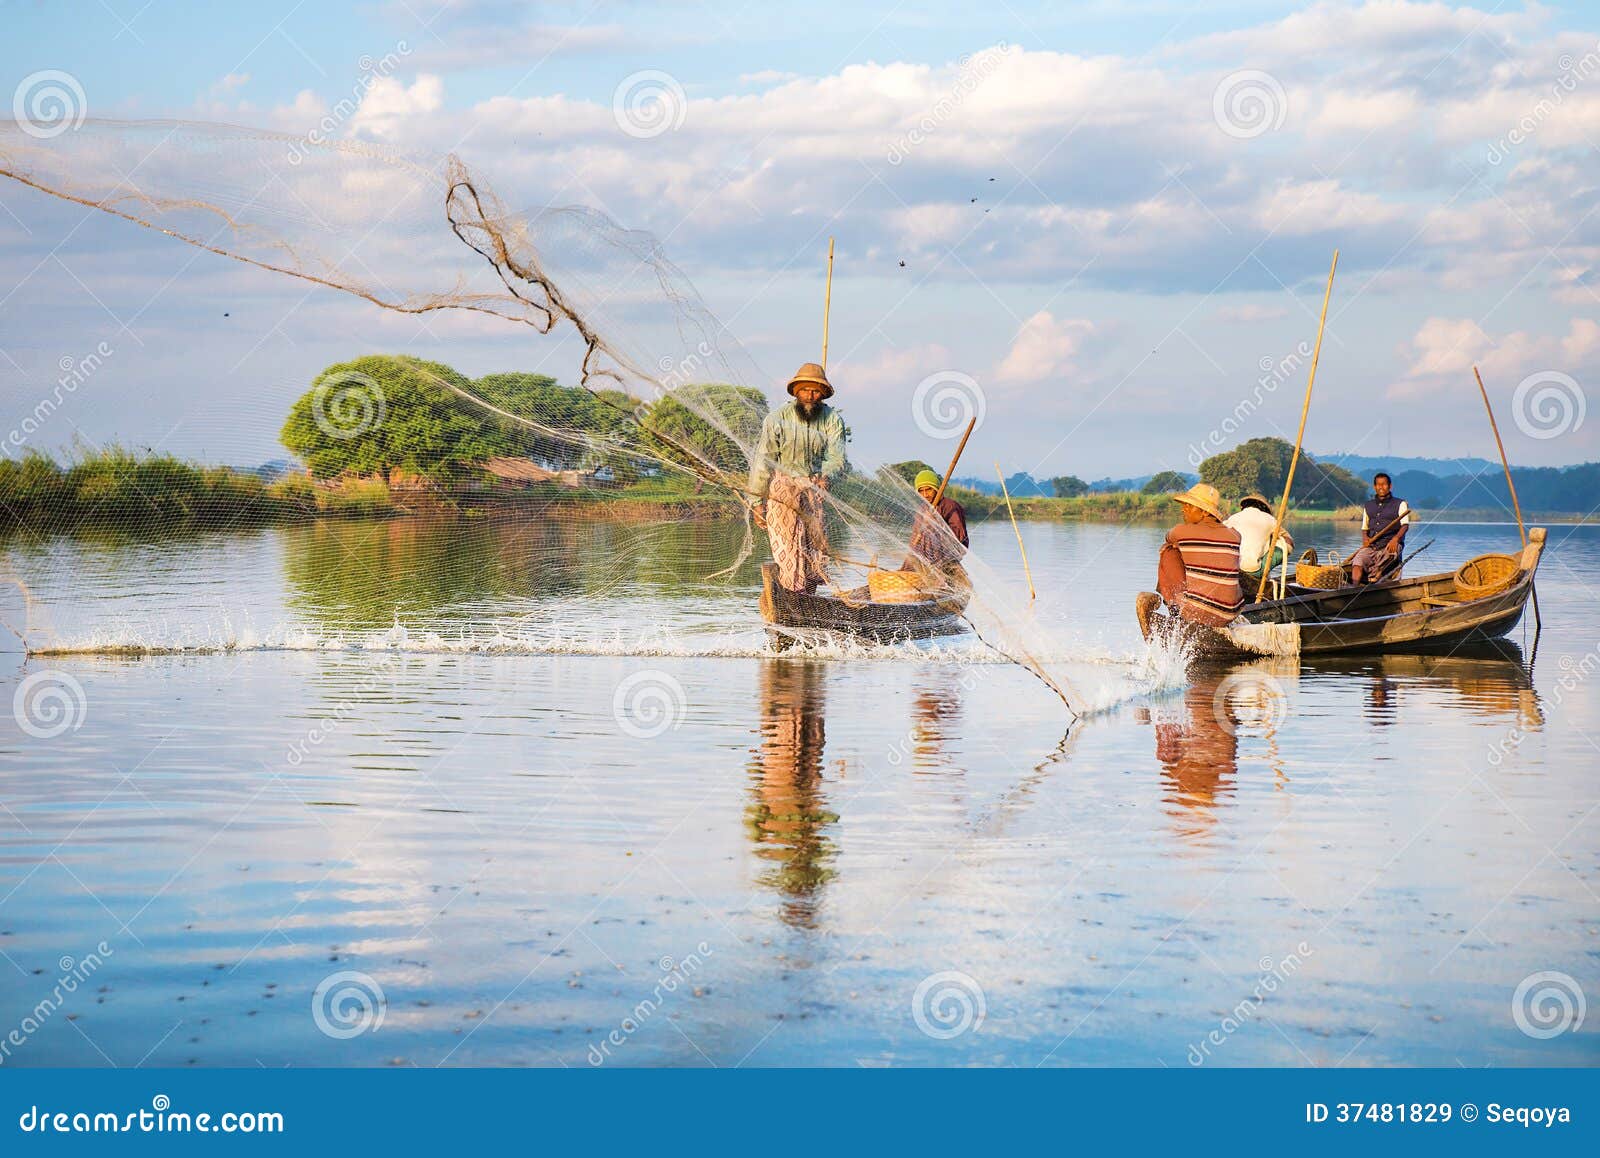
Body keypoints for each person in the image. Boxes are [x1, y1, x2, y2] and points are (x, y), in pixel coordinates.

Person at [749, 363, 848, 594]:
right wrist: (756, 502)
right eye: (805, 390)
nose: (810, 396)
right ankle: (793, 595)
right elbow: (763, 461)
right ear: (796, 391)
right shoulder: (776, 419)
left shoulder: (832, 420)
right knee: (788, 545)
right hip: (783, 489)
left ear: (823, 394)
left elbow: (837, 458)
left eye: (816, 392)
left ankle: (807, 598)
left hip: (814, 488)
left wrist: (825, 474)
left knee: (814, 550)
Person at [1139, 482, 1243, 633]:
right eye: (1185, 505)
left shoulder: (1181, 531)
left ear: (1205, 513)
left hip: (1201, 613)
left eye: (1189, 506)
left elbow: (1169, 537)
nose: (1184, 509)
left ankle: (1174, 610)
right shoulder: (1235, 535)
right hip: (1230, 613)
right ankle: (1186, 606)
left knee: (1168, 551)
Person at [1349, 472, 1410, 584]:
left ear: (1390, 486)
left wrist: (1396, 538)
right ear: (1374, 487)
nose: (1381, 487)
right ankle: (1353, 587)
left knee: (1391, 551)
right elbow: (1364, 528)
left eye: (1384, 484)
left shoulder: (1400, 504)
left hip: (1390, 545)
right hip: (1372, 546)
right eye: (1378, 485)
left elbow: (1405, 525)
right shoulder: (1368, 505)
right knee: (1358, 559)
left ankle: (1377, 574)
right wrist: (1365, 539)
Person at [904, 468, 969, 572]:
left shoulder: (950, 506)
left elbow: (960, 537)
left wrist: (935, 523)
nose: (925, 494)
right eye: (921, 491)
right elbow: (915, 537)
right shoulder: (922, 509)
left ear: (936, 489)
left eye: (928, 489)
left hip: (946, 557)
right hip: (924, 560)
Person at [1224, 492, 1293, 584]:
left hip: (1232, 568)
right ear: (1263, 508)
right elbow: (1290, 542)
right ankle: (1263, 571)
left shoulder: (1232, 518)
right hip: (1253, 570)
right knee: (1284, 542)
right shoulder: (1270, 519)